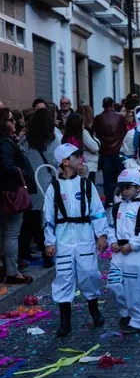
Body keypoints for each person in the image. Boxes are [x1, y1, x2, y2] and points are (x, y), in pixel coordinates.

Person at [43, 143, 108, 337]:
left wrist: (101, 234)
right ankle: (65, 322)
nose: (80, 158)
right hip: (63, 239)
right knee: (63, 277)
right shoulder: (54, 188)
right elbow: (48, 218)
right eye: (76, 156)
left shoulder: (87, 185)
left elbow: (97, 211)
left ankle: (94, 311)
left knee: (89, 274)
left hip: (85, 236)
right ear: (65, 161)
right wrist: (49, 241)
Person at [107, 169, 140, 335]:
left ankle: (139, 319)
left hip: (135, 252)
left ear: (138, 188)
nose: (123, 191)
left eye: (127, 187)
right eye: (121, 187)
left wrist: (133, 245)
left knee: (135, 287)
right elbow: (111, 227)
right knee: (114, 284)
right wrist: (112, 241)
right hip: (118, 252)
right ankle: (125, 313)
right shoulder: (116, 208)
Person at [19, 108, 61, 267]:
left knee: (27, 225)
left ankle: (21, 257)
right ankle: (48, 257)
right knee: (47, 224)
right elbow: (59, 163)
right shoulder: (53, 141)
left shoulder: (24, 141)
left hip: (30, 188)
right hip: (48, 187)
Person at [0, 108, 36, 284]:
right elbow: (6, 165)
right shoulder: (5, 142)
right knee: (11, 234)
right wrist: (21, 174)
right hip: (11, 192)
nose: (14, 122)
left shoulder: (7, 140)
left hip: (7, 191)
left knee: (7, 234)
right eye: (10, 120)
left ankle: (8, 269)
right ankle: (12, 272)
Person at [93, 98, 125, 208]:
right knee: (119, 177)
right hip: (117, 151)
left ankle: (110, 200)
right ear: (112, 105)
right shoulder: (120, 117)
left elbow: (96, 133)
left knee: (107, 179)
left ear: (103, 105)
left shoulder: (98, 118)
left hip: (105, 152)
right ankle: (120, 198)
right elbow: (124, 132)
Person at [78, 105, 100, 184]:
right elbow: (95, 147)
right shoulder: (83, 132)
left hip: (90, 166)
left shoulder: (88, 131)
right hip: (88, 167)